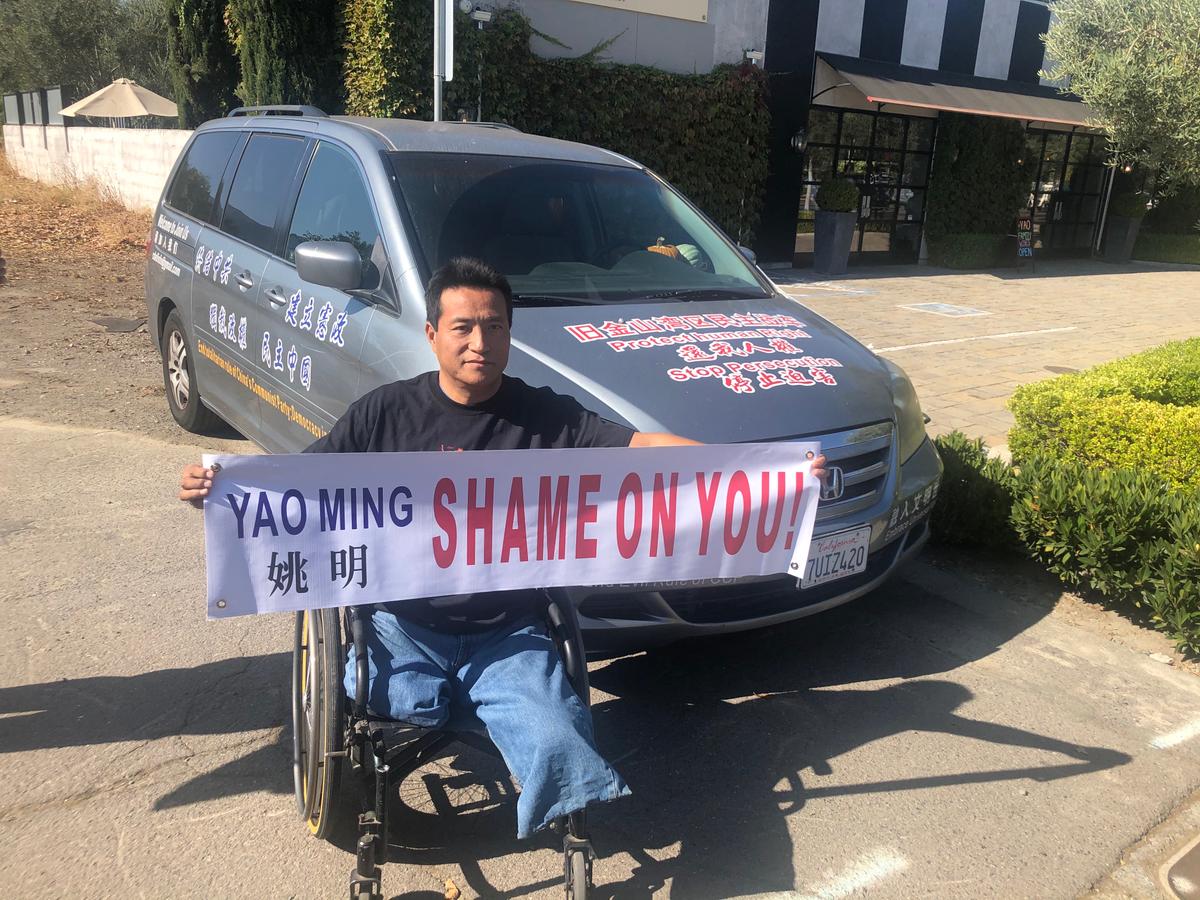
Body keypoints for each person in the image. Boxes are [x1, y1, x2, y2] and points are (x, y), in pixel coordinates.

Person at [179, 257, 826, 839]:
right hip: (403, 625)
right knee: (383, 699)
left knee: (556, 739)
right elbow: (302, 485)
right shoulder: (386, 415)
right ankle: (448, 697)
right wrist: (221, 485)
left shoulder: (547, 417)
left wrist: (761, 471)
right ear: (432, 334)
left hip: (508, 630)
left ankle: (530, 764)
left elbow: (641, 452)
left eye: (493, 327)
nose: (479, 343)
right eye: (462, 327)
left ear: (510, 336)